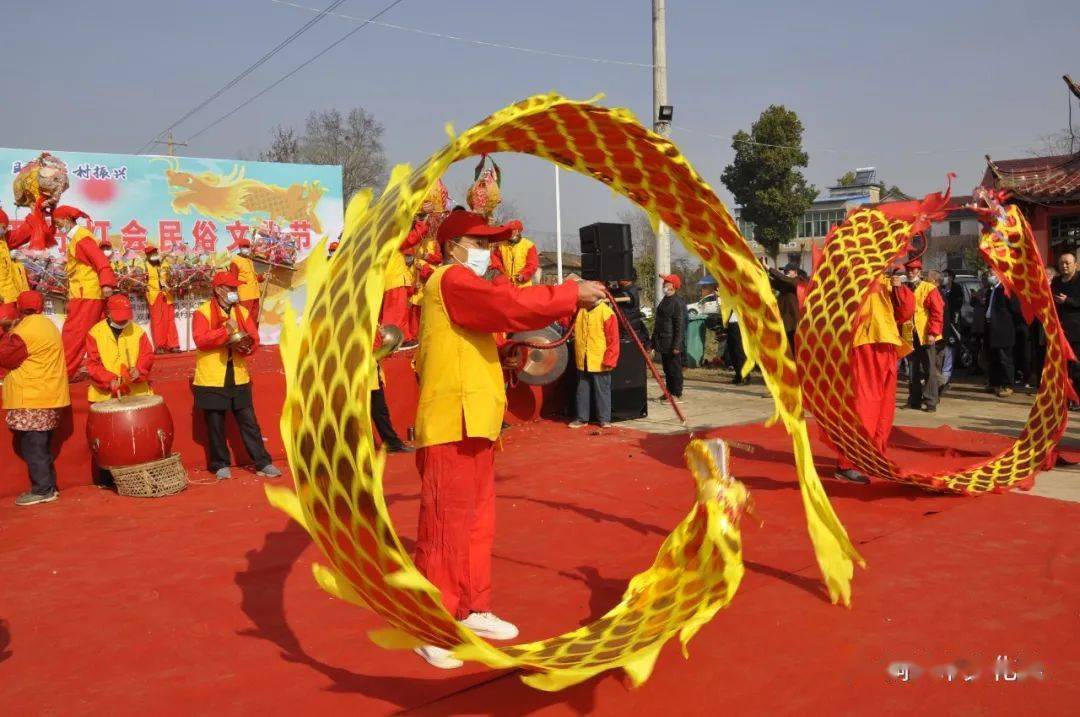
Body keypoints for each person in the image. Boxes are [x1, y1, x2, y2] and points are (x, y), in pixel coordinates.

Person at [411, 209, 603, 669]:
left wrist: (506, 355)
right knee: (443, 527)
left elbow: (482, 333)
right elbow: (509, 305)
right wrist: (570, 293)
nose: (486, 253)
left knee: (476, 522)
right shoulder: (451, 280)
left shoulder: (462, 288)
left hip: (475, 418)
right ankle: (429, 623)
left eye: (489, 245)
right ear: (454, 245)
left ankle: (472, 607)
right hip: (449, 421)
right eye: (479, 244)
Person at [192, 271, 282, 480]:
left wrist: (248, 346)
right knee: (215, 424)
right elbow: (201, 339)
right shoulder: (202, 312)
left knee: (249, 421)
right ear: (218, 290)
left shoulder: (241, 311)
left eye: (235, 288)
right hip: (212, 377)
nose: (235, 292)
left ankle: (262, 462)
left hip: (238, 374)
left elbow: (253, 337)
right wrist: (225, 331)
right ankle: (220, 464)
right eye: (231, 288)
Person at [835, 269, 915, 484]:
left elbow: (906, 313)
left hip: (887, 346)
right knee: (863, 408)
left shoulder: (889, 282)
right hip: (864, 347)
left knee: (884, 410)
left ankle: (874, 458)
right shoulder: (855, 277)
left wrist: (898, 287)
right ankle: (848, 463)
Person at [0, 291, 70, 506]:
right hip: (49, 394)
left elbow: (5, 357)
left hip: (31, 396)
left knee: (34, 446)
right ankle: (49, 486)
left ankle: (42, 490)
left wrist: (4, 332)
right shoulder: (48, 326)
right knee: (42, 445)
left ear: (20, 308)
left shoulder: (23, 331)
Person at [54, 205, 117, 379]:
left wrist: (107, 283)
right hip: (85, 294)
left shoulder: (81, 238)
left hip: (86, 295)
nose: (57, 226)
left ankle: (62, 375)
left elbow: (101, 260)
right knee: (96, 335)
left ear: (67, 219)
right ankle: (102, 371)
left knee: (74, 335)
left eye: (58, 222)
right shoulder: (77, 238)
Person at [85, 294, 155, 403]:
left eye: (125, 317)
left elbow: (147, 356)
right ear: (108, 313)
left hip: (136, 394)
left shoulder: (138, 331)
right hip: (104, 397)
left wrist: (139, 371)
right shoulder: (95, 333)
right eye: (119, 318)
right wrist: (109, 380)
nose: (123, 321)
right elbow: (92, 364)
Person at [568, 298, 619, 428]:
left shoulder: (606, 312)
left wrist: (610, 359)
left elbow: (613, 339)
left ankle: (604, 419)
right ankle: (582, 418)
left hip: (599, 360)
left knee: (602, 391)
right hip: (582, 358)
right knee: (582, 390)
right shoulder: (580, 310)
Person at [901, 259, 943, 412]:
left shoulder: (929, 288)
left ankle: (931, 401)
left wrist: (933, 332)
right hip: (909, 334)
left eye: (913, 270)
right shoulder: (904, 288)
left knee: (929, 369)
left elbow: (937, 312)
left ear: (919, 271)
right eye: (908, 270)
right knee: (912, 369)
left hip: (925, 334)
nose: (910, 272)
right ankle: (914, 400)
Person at [984, 271, 1022, 397]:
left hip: (1004, 329)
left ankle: (1008, 385)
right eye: (989, 274)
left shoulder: (1007, 289)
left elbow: (1016, 310)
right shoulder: (992, 290)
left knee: (1005, 358)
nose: (990, 276)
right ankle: (995, 383)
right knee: (993, 357)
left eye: (992, 273)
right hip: (990, 327)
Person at [1051, 252, 1080, 408]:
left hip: (1077, 331)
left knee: (1077, 367)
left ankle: (1077, 398)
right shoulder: (1055, 281)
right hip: (1060, 331)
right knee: (1063, 367)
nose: (1064, 266)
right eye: (1062, 263)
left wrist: (1067, 301)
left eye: (1068, 263)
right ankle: (1065, 396)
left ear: (1075, 264)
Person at [652, 274, 686, 402]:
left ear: (674, 286)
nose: (664, 285)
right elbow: (659, 322)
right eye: (664, 283)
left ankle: (677, 393)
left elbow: (680, 325)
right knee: (667, 369)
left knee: (674, 369)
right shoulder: (665, 300)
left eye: (667, 283)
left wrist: (677, 345)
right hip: (663, 341)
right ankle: (669, 392)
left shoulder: (677, 302)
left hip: (672, 342)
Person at [144, 245, 180, 353]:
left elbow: (170, 278)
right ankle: (160, 346)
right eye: (151, 253)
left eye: (155, 252)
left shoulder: (164, 263)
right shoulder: (145, 266)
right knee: (157, 321)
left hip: (167, 295)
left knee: (170, 320)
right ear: (147, 255)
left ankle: (173, 345)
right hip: (154, 296)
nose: (154, 255)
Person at [766, 262, 804, 350]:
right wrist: (762, 272)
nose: (785, 272)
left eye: (787, 271)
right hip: (785, 323)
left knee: (795, 349)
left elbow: (785, 279)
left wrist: (770, 268)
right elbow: (774, 282)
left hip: (795, 324)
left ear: (795, 272)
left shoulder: (798, 282)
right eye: (784, 271)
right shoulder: (786, 284)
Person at [937, 269, 964, 391]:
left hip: (952, 324)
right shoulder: (940, 289)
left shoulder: (957, 289)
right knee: (942, 351)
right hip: (941, 325)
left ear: (951, 277)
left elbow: (957, 305)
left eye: (947, 276)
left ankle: (946, 377)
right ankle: (941, 378)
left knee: (950, 350)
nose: (945, 278)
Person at [490, 220, 539, 287]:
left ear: (517, 231)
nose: (508, 232)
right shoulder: (501, 245)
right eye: (507, 230)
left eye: (511, 230)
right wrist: (501, 271)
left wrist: (523, 275)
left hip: (524, 286)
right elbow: (495, 259)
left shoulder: (528, 245)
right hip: (507, 285)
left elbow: (532, 265)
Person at [228, 237, 263, 324]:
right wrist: (234, 297)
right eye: (244, 247)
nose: (246, 249)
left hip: (255, 295)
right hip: (244, 296)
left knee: (254, 320)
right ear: (240, 248)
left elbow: (253, 277)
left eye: (247, 247)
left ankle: (252, 337)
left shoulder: (249, 260)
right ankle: (245, 337)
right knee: (245, 321)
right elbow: (233, 280)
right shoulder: (235, 261)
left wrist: (262, 277)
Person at [0, 207, 22, 320]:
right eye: (2, 227)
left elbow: (22, 235)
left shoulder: (3, 241)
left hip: (9, 297)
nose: (3, 230)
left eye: (4, 228)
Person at [724, 308, 750, 384]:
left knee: (739, 351)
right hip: (731, 322)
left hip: (740, 322)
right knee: (732, 350)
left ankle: (745, 376)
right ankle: (738, 375)